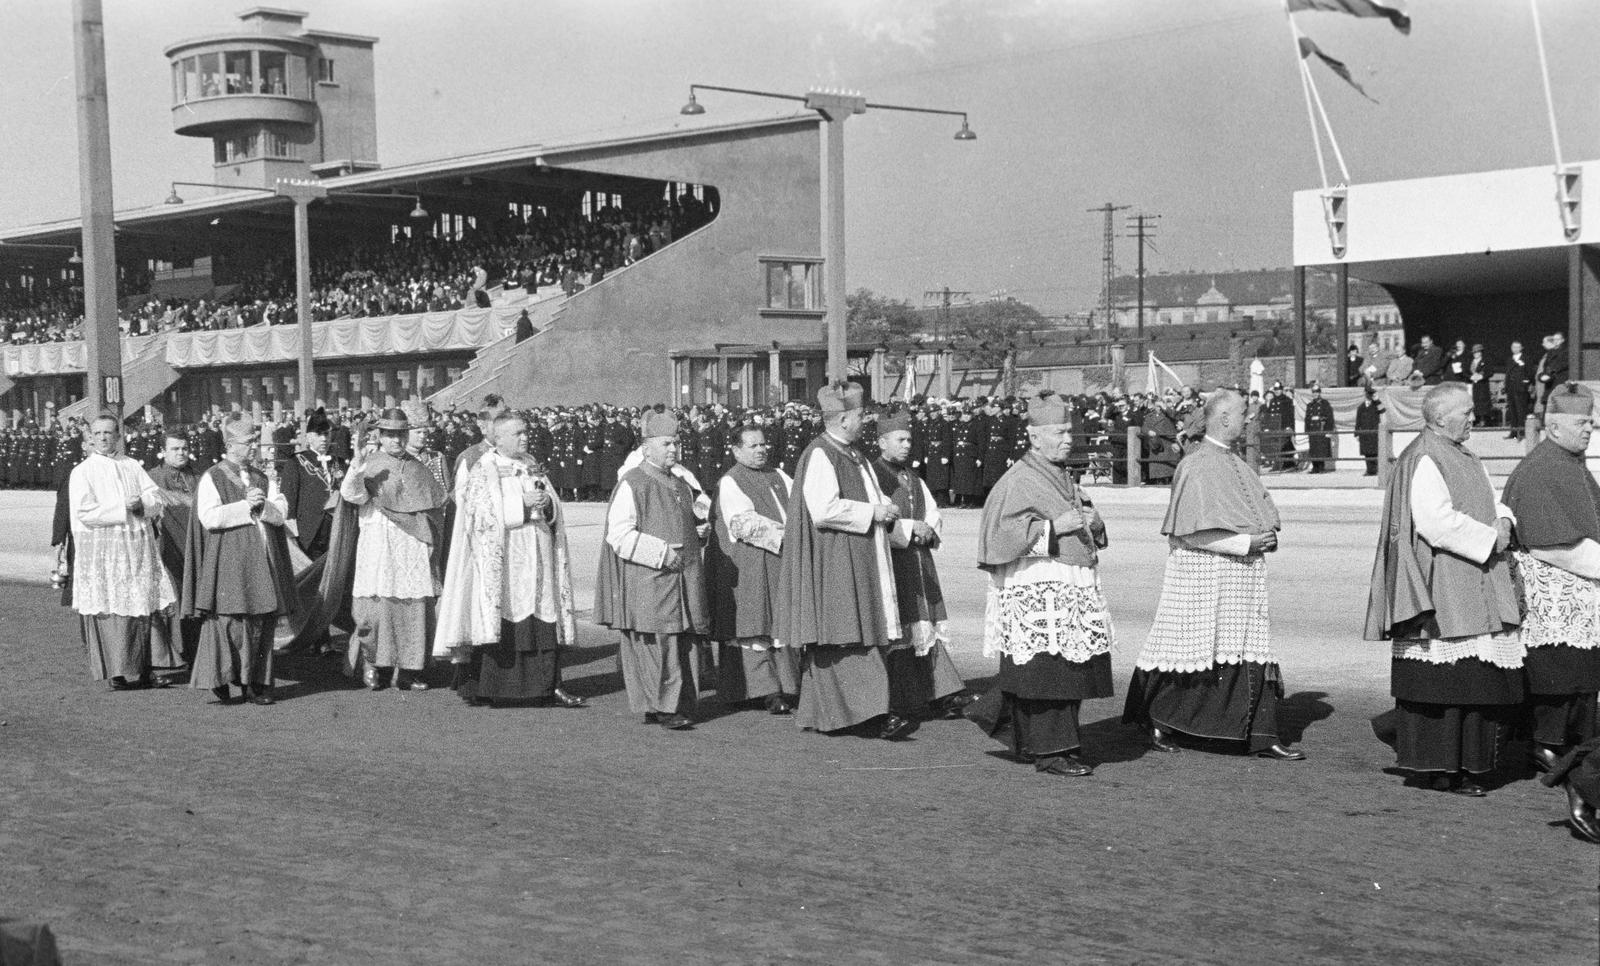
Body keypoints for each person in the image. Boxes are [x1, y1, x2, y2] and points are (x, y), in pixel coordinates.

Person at [1123, 389, 1305, 760]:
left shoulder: (1236, 462)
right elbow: (1187, 531)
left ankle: (1259, 732)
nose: (1250, 418)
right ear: (1223, 418)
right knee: (1194, 648)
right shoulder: (1197, 464)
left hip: (1240, 577)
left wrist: (1259, 541)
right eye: (1243, 413)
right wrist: (1247, 543)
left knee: (1242, 646)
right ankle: (1162, 718)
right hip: (1204, 575)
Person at [1365, 382, 1523, 796]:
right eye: (1466, 412)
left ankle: (1466, 765)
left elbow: (1490, 499)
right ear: (1439, 417)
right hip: (1445, 583)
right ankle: (1440, 768)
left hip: (1477, 576)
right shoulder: (1423, 456)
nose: (1474, 417)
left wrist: (1504, 521)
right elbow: (1435, 523)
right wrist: (1490, 538)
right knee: (1448, 682)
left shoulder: (1465, 453)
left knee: (1474, 679)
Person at [970, 397, 1115, 777]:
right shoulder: (1017, 480)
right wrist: (1054, 528)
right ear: (1035, 437)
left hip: (1069, 581)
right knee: (1048, 670)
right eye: (1059, 432)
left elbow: (1078, 520)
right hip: (1040, 584)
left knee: (1064, 667)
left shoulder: (1063, 474)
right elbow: (999, 536)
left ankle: (1040, 744)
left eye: (1069, 431)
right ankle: (1052, 751)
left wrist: (1093, 522)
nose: (1068, 438)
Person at [777, 382, 912, 740]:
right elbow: (823, 510)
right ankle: (872, 714)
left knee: (852, 633)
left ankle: (839, 713)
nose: (865, 420)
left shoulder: (855, 453)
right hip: (836, 557)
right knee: (846, 635)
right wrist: (874, 511)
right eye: (860, 414)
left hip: (858, 553)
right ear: (843, 419)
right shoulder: (821, 453)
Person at [434, 412, 586, 709]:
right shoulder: (484, 468)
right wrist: (521, 504)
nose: (525, 437)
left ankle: (550, 685)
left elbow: (553, 505)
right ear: (498, 437)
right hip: (505, 561)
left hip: (537, 552)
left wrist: (548, 504)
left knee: (542, 614)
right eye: (517, 433)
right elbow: (480, 515)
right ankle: (499, 687)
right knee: (509, 615)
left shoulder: (530, 464)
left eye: (525, 432)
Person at [1502, 383, 1600, 772]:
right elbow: (1548, 543)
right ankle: (1548, 744)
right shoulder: (1542, 468)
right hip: (1554, 591)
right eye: (1582, 422)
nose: (1590, 428)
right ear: (1554, 427)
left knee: (1581, 670)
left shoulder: (1571, 462)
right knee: (1560, 673)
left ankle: (1577, 742)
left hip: (1579, 587)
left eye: (1592, 421)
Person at [595, 411, 707, 729]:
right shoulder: (633, 483)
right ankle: (663, 707)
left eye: (676, 443)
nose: (674, 449)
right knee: (660, 641)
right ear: (647, 448)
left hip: (684, 577)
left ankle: (669, 703)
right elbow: (619, 534)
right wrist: (659, 554)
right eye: (666, 444)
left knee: (682, 640)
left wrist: (700, 532)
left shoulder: (682, 483)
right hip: (653, 577)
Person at [181, 414, 297, 706]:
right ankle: (224, 679)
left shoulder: (261, 476)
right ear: (231, 444)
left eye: (255, 441)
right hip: (231, 556)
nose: (254, 447)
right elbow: (208, 517)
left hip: (261, 555)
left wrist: (265, 506)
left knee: (261, 619)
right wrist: (246, 506)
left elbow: (280, 511)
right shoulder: (213, 476)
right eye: (248, 442)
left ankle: (257, 683)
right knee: (230, 620)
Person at [872, 413, 972, 722]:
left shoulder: (912, 476)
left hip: (919, 560)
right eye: (899, 440)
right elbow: (874, 518)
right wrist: (907, 529)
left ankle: (943, 691)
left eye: (909, 440)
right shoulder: (874, 475)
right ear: (881, 442)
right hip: (893, 561)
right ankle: (904, 697)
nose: (906, 446)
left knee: (926, 626)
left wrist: (928, 527)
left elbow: (931, 509)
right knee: (902, 630)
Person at [340, 405, 448, 692]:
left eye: (401, 434)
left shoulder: (418, 468)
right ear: (380, 435)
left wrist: (427, 537)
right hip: (378, 544)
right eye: (390, 435)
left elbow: (434, 507)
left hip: (410, 546)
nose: (396, 441)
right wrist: (356, 465)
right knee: (374, 611)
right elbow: (352, 495)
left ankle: (409, 670)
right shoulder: (371, 463)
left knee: (411, 608)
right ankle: (373, 663)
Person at [68, 414, 176, 691]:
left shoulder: (131, 466)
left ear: (118, 435)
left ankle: (150, 668)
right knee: (111, 605)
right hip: (105, 549)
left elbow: (155, 498)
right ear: (91, 437)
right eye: (98, 433)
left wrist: (142, 504)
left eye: (108, 432)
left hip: (137, 545)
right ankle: (117, 670)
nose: (103, 437)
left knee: (144, 601)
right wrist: (122, 507)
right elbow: (85, 512)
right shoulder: (83, 472)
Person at [706, 423, 800, 714]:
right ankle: (765, 690)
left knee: (780, 623)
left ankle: (788, 685)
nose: (761, 450)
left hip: (781, 560)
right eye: (753, 446)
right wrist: (787, 535)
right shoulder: (731, 481)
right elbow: (742, 522)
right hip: (750, 564)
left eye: (763, 444)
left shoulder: (779, 475)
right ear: (736, 450)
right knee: (754, 626)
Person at [147, 430, 202, 678]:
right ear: (164, 451)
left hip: (197, 548)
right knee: (175, 600)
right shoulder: (152, 478)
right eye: (175, 449)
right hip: (167, 549)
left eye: (184, 448)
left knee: (196, 601)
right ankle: (174, 655)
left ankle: (196, 653)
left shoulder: (200, 476)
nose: (181, 453)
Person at [278, 408, 342, 560]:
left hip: (334, 528)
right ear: (309, 437)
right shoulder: (296, 463)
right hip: (309, 532)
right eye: (319, 434)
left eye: (326, 434)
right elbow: (288, 501)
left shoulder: (337, 462)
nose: (324, 439)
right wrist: (292, 536)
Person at [1503, 340, 1532, 440]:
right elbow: (1507, 373)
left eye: (1517, 347)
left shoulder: (1526, 359)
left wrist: (1525, 382)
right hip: (1510, 388)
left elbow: (1530, 372)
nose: (1515, 349)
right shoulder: (1509, 359)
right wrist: (1506, 386)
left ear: (1521, 348)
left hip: (1520, 388)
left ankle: (1522, 431)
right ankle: (1513, 432)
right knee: (1512, 411)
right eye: (1513, 347)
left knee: (1521, 410)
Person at [1304, 384, 1335, 473]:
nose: (1315, 394)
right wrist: (1306, 430)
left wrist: (1329, 430)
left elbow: (1329, 417)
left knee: (1321, 449)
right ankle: (1315, 467)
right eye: (1313, 392)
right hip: (1313, 430)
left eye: (1317, 392)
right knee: (1313, 449)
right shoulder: (1310, 405)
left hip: (1321, 429)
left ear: (1319, 393)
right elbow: (1307, 419)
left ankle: (1321, 467)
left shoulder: (1325, 403)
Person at [1355, 386, 1384, 476]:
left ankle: (1375, 470)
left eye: (1370, 394)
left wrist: (1377, 400)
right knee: (1367, 453)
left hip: (1374, 432)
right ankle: (1369, 470)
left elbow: (1383, 410)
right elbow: (1358, 420)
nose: (1369, 396)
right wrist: (1356, 433)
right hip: (1365, 433)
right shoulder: (1361, 407)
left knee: (1375, 451)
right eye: (1368, 394)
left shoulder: (1376, 405)